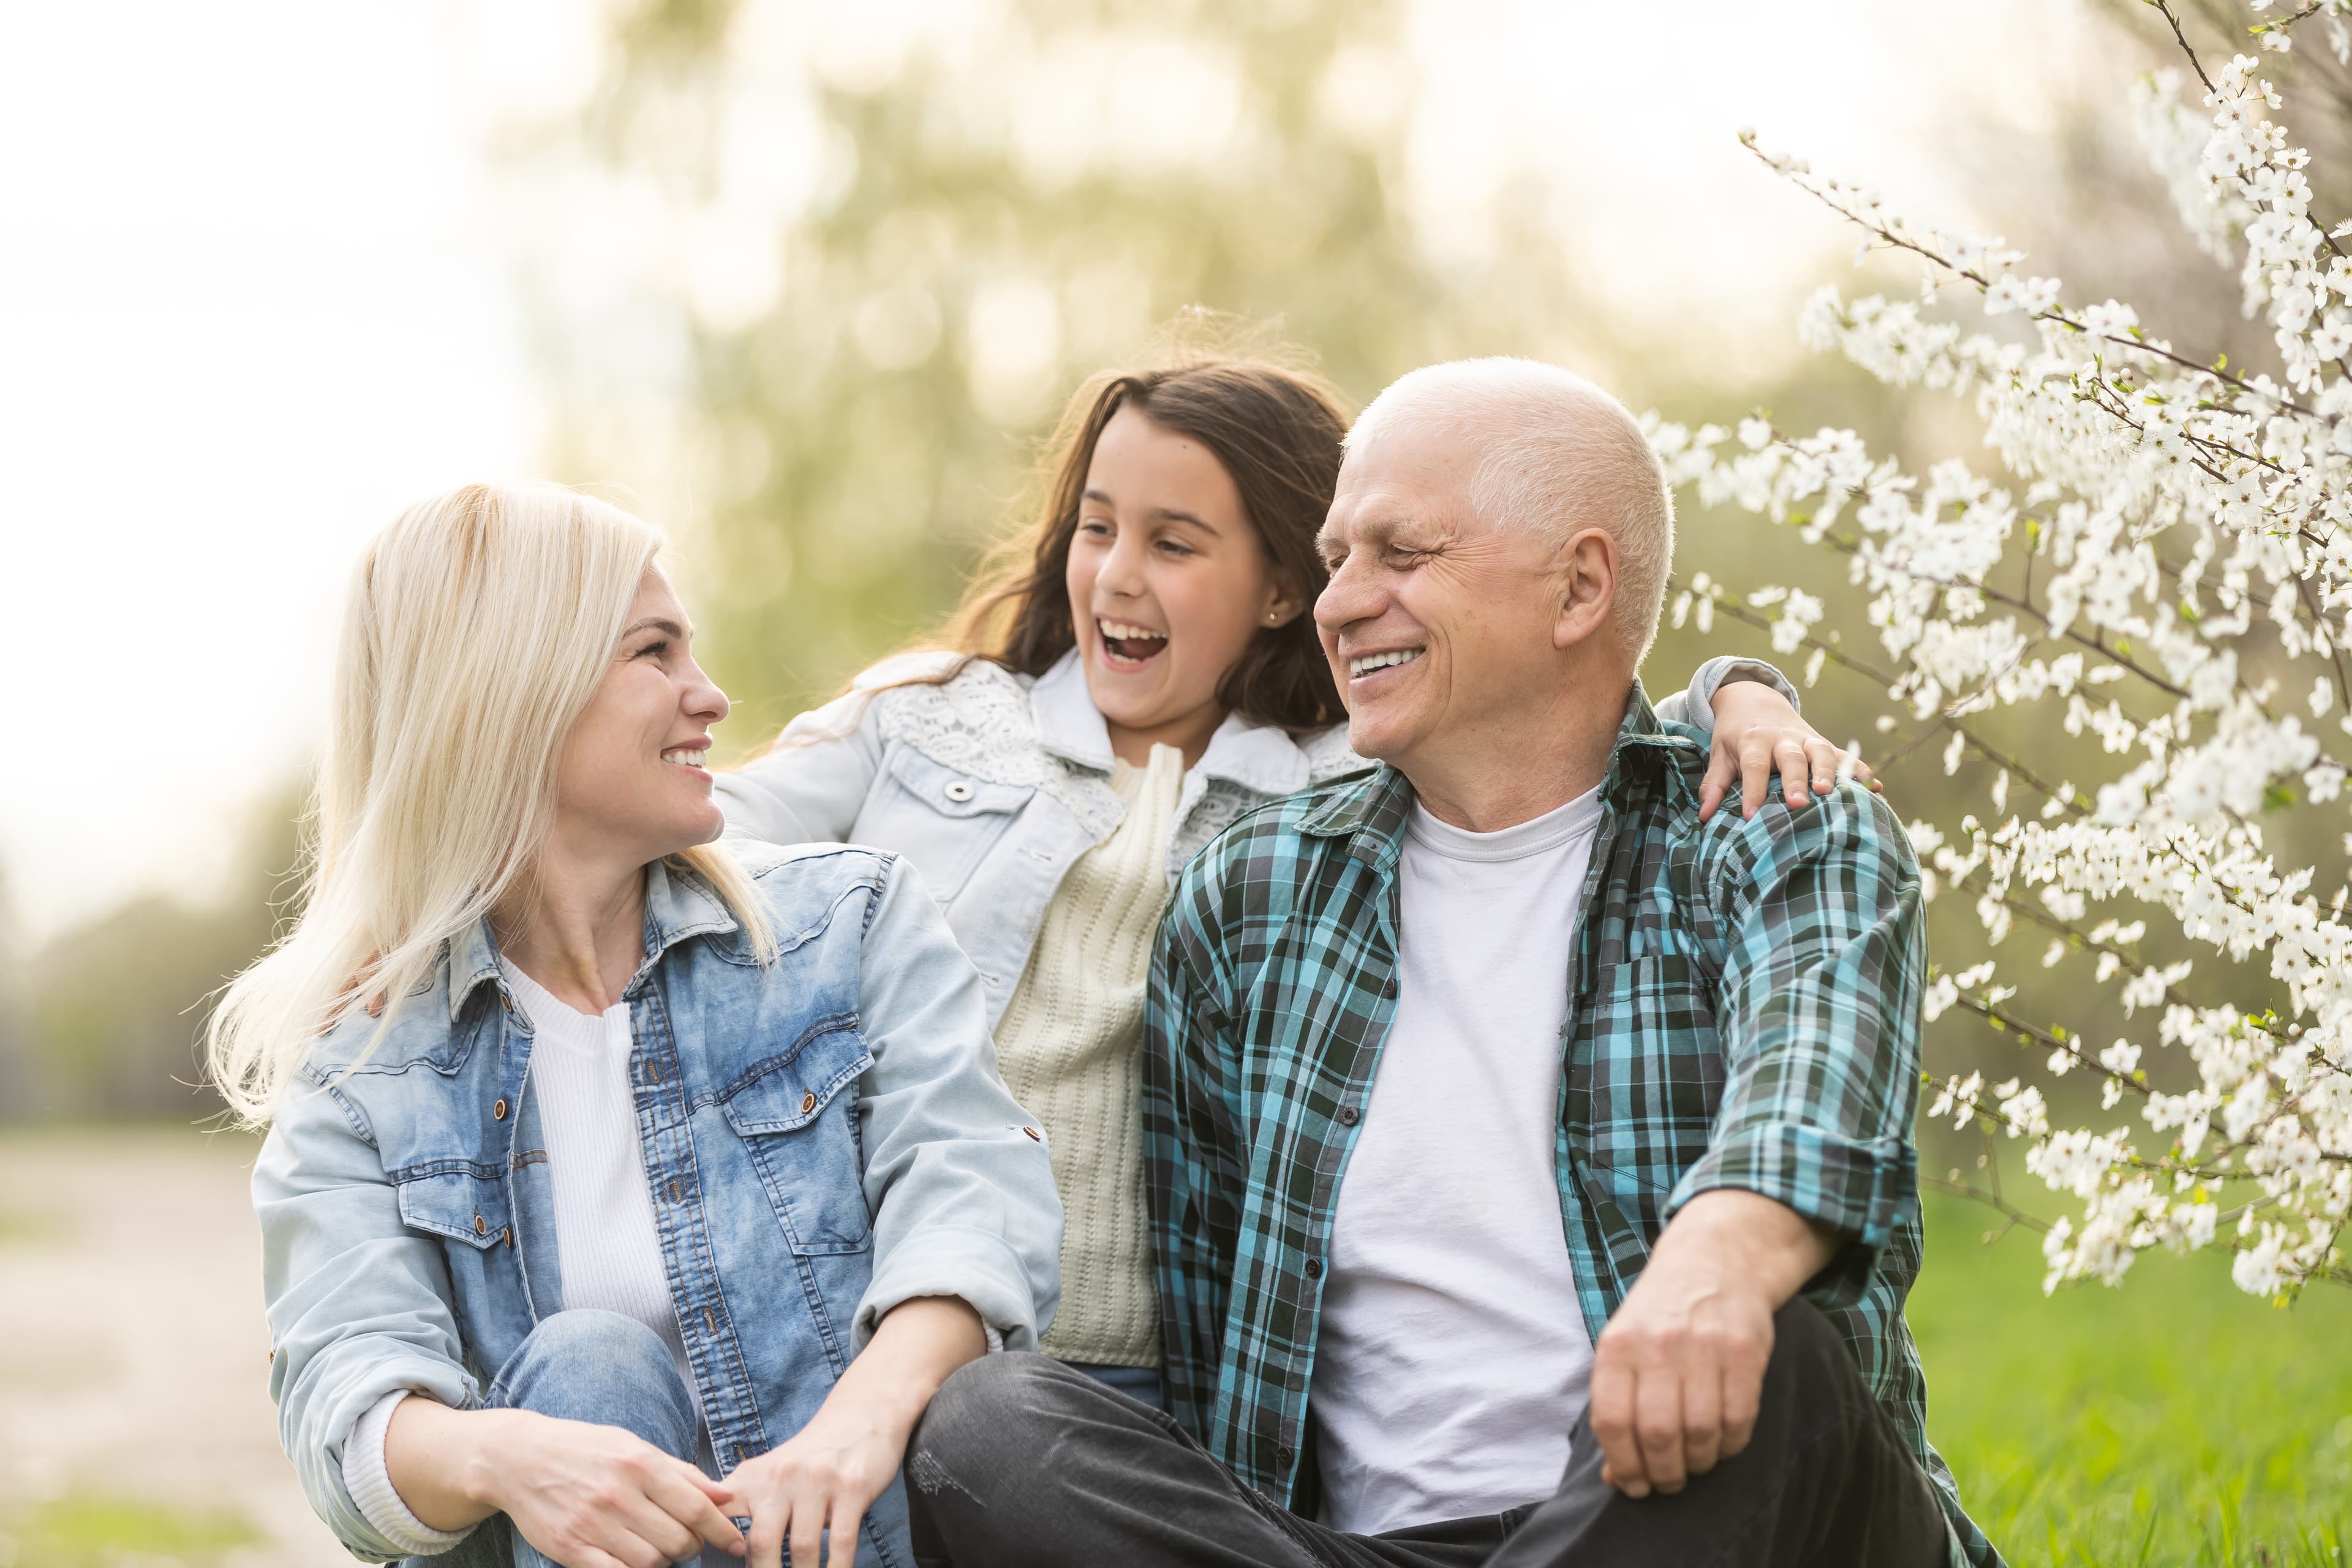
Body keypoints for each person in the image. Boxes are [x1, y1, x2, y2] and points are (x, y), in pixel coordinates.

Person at [904, 359, 2000, 1568]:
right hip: (1374, 1550)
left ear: (1580, 585)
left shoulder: (1780, 822)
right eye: (1333, 561)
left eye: (1403, 554)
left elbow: (1819, 1092)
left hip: (1700, 1508)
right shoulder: (1253, 898)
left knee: (1784, 1360)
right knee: (992, 1426)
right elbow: (1216, 1328)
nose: (1341, 602)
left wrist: (1720, 1263)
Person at [714, 347, 1859, 1413]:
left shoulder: (1326, 788)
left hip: (1135, 1372)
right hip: (891, 1308)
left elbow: (1560, 730)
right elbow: (701, 834)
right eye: (1096, 529)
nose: (1114, 577)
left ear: (1274, 589)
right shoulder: (927, 723)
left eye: (1173, 545)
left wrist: (1734, 693)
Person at [216, 484, 1061, 1568]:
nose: (708, 696)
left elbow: (975, 1197)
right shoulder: (365, 1071)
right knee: (590, 1372)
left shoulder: (845, 926)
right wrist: (509, 1457)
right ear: (515, 693)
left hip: (862, 1545)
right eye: (654, 653)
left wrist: (856, 1426)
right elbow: (350, 1404)